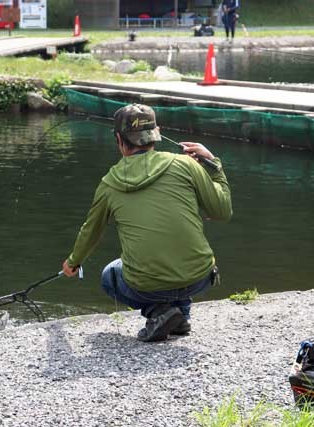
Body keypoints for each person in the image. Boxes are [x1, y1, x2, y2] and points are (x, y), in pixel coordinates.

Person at [61, 104, 233, 342]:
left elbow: (91, 231)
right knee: (174, 252)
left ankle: (159, 312)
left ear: (119, 140)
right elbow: (222, 211)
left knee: (110, 275)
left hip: (146, 285)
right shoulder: (187, 165)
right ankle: (180, 317)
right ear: (157, 133)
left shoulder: (109, 183)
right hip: (200, 278)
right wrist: (213, 163)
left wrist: (73, 262)